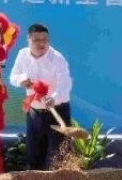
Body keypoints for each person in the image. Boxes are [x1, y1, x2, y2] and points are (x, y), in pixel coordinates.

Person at [8, 23, 74, 171]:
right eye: (36, 40)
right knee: (34, 157)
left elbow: (65, 85)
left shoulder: (57, 58)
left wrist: (54, 98)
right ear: (28, 40)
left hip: (57, 111)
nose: (41, 43)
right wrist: (21, 80)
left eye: (44, 40)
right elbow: (13, 76)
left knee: (59, 158)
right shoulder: (22, 55)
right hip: (34, 113)